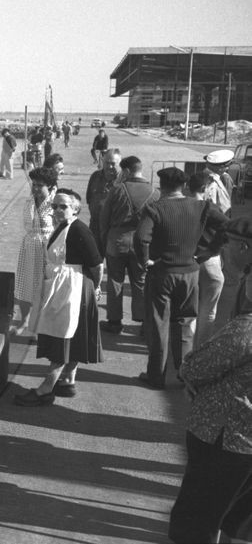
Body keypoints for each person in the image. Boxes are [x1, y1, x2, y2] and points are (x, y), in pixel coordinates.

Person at [168, 218, 252, 544]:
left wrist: (190, 375)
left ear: (243, 247)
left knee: (201, 509)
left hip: (227, 433)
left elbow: (200, 365)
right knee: (236, 514)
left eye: (226, 244)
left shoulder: (247, 329)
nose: (223, 252)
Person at [134, 167, 228, 389]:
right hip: (190, 272)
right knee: (184, 324)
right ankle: (185, 374)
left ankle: (156, 376)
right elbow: (226, 226)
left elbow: (141, 238)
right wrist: (209, 251)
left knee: (159, 325)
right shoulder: (202, 206)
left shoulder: (154, 208)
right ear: (183, 186)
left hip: (162, 273)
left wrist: (146, 260)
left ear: (162, 186)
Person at [15, 189, 103, 405]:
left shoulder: (79, 230)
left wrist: (96, 287)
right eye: (54, 206)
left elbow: (97, 264)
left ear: (75, 208)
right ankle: (68, 380)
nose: (57, 210)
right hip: (62, 285)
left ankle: (45, 389)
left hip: (74, 287)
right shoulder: (61, 227)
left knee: (63, 336)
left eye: (63, 206)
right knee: (69, 334)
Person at [98, 156, 160, 334]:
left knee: (115, 281)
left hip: (117, 241)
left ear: (126, 171)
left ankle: (114, 322)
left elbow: (104, 218)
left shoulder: (117, 189)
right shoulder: (154, 192)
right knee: (141, 281)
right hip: (143, 243)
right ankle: (143, 323)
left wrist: (105, 238)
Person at [13, 165, 58, 334]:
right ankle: (24, 321)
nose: (36, 188)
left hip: (47, 248)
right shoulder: (30, 201)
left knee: (46, 286)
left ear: (50, 186)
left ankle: (44, 323)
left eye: (40, 185)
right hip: (29, 247)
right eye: (34, 184)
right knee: (25, 284)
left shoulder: (55, 204)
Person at [187, 173, 227, 349]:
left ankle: (186, 352)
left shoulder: (182, 206)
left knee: (189, 314)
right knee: (208, 313)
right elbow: (228, 226)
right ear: (205, 189)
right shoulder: (209, 208)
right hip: (210, 262)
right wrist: (213, 249)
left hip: (188, 262)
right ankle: (200, 352)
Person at [86, 149, 121, 254]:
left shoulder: (123, 181)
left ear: (119, 164)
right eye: (107, 163)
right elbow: (89, 198)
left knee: (113, 260)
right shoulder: (95, 176)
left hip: (113, 229)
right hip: (95, 226)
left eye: (113, 163)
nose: (109, 166)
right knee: (94, 258)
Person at [202, 149, 234, 215]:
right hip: (216, 216)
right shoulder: (216, 180)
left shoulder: (204, 175)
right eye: (226, 166)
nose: (227, 168)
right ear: (220, 168)